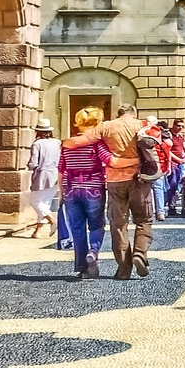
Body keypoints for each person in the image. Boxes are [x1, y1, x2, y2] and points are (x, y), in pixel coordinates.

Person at [64, 105, 154, 279]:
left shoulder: (106, 127)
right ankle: (140, 254)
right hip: (140, 179)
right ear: (134, 113)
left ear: (117, 114)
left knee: (118, 224)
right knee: (144, 219)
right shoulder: (142, 125)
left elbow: (77, 142)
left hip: (115, 181)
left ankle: (123, 268)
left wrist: (63, 142)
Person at [58, 108, 111, 278]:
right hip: (93, 187)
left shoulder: (67, 143)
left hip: (71, 188)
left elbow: (61, 169)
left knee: (77, 228)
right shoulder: (96, 144)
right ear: (97, 123)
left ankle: (83, 267)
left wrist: (61, 194)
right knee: (96, 225)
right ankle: (93, 252)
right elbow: (108, 161)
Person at [24, 120, 61, 237]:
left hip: (42, 175)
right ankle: (37, 232)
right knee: (45, 203)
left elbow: (33, 163)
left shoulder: (37, 144)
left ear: (38, 131)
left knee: (35, 201)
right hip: (56, 174)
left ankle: (52, 220)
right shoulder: (57, 142)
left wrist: (28, 165)